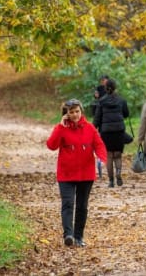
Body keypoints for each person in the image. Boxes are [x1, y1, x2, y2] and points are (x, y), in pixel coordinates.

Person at [47, 99, 107, 247]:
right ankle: (68, 235)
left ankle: (78, 236)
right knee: (68, 204)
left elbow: (99, 145)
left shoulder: (90, 128)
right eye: (71, 112)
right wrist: (60, 127)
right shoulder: (61, 128)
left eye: (77, 111)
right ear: (66, 114)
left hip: (86, 174)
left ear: (81, 112)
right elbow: (51, 145)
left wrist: (101, 159)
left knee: (82, 206)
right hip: (66, 174)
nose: (75, 115)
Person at [93, 79, 129, 187]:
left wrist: (93, 129)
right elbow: (126, 114)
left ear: (105, 88)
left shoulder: (101, 101)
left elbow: (97, 118)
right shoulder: (121, 100)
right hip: (119, 130)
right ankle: (118, 172)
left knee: (109, 156)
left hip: (106, 131)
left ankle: (111, 181)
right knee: (117, 155)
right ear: (115, 88)